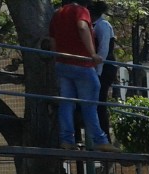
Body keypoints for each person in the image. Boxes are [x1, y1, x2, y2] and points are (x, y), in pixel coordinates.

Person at [49, 0, 117, 152]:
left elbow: (52, 39)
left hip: (62, 63)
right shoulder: (80, 10)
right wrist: (92, 54)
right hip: (81, 63)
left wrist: (56, 58)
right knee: (90, 103)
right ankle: (100, 139)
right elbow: (82, 27)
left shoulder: (57, 14)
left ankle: (67, 140)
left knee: (66, 103)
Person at [90, 2, 116, 141]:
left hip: (105, 69)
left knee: (100, 102)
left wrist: (97, 71)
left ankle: (104, 137)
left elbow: (104, 51)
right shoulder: (93, 26)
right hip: (98, 68)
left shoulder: (103, 25)